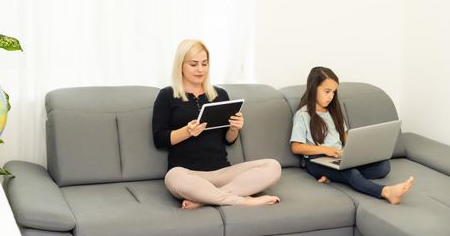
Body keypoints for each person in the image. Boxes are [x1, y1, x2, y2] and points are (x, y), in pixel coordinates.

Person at [153, 39, 281, 209]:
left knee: (273, 166)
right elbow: (159, 139)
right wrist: (187, 131)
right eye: (194, 64)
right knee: (173, 177)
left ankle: (205, 198)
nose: (200, 69)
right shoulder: (167, 95)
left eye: (204, 64)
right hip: (188, 174)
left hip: (222, 172)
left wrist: (234, 128)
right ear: (181, 65)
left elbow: (228, 140)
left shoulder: (219, 94)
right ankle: (243, 200)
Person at [290, 66, 414, 204]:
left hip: (338, 157)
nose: (331, 96)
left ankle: (335, 176)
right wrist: (326, 150)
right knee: (351, 173)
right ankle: (386, 192)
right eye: (327, 91)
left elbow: (345, 137)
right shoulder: (303, 115)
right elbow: (296, 147)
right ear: (313, 88)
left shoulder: (333, 113)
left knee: (383, 167)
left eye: (333, 92)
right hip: (316, 161)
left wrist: (356, 153)